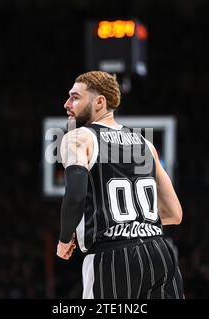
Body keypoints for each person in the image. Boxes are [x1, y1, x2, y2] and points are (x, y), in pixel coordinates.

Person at [56, 71, 184, 299]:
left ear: (99, 102)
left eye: (75, 97)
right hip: (160, 253)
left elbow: (75, 195)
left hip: (112, 256)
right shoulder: (146, 145)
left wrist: (65, 239)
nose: (66, 103)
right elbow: (174, 213)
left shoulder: (78, 138)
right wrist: (131, 221)